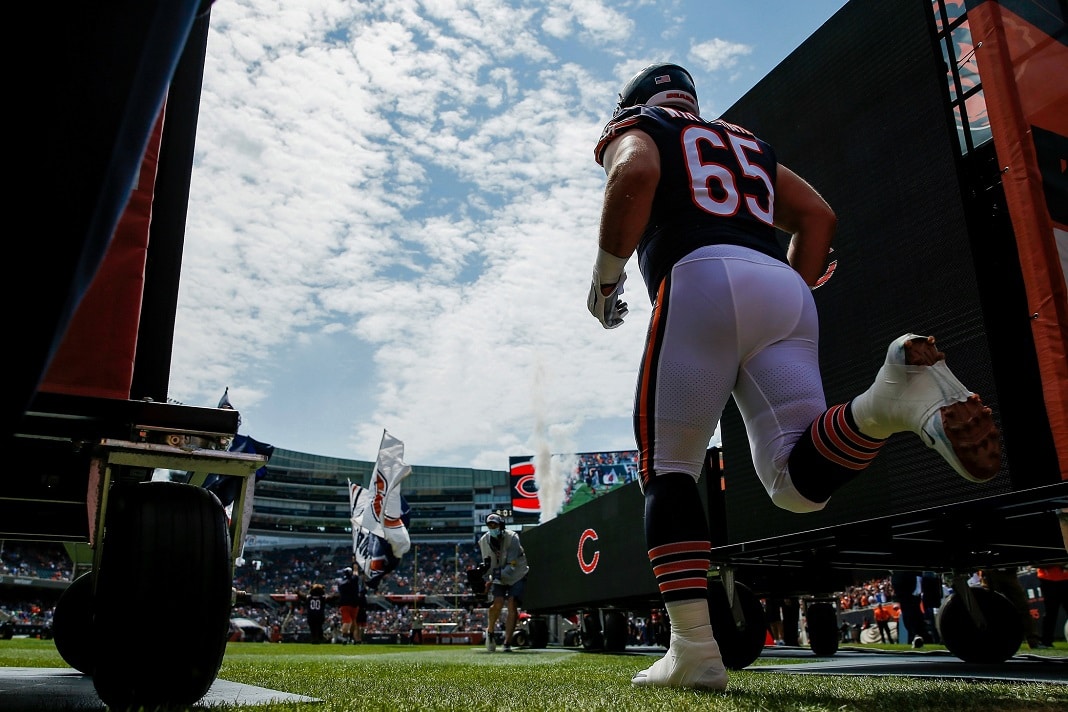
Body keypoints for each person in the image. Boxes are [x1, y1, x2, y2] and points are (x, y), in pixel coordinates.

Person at [588, 62, 1002, 691]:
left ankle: (694, 651)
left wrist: (606, 275)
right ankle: (883, 406)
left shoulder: (643, 126)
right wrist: (784, 292)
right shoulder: (741, 141)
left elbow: (636, 170)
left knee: (669, 467)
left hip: (698, 274)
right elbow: (819, 217)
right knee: (795, 485)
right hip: (781, 286)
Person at [478, 513, 530, 652]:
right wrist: (486, 578)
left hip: (516, 573)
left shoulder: (512, 538)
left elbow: (512, 566)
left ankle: (507, 642)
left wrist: (493, 576)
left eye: (495, 525)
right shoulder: (483, 541)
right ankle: (490, 631)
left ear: (501, 525)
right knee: (498, 603)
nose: (492, 527)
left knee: (512, 604)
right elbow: (487, 563)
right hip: (498, 574)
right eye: (490, 525)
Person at [337, 567, 362, 644]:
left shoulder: (341, 583)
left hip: (344, 604)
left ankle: (344, 637)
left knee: (347, 621)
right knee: (353, 621)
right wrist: (355, 566)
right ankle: (351, 637)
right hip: (354, 603)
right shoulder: (354, 580)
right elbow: (356, 573)